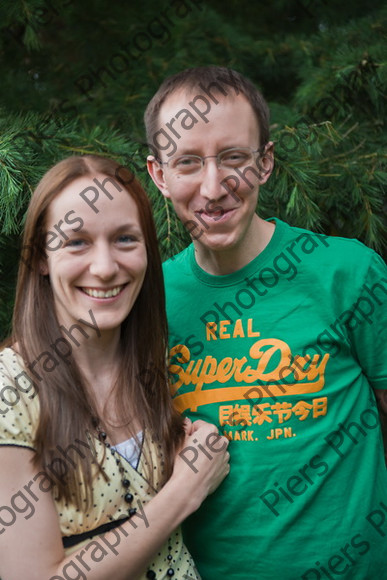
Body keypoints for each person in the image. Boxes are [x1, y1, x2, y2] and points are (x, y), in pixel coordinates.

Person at [145, 66, 387, 579]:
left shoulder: (347, 273)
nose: (214, 188)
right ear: (159, 175)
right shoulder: (148, 303)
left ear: (266, 163)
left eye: (233, 157)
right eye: (188, 162)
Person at [0, 154, 230, 580]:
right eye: (76, 242)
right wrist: (185, 489)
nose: (105, 268)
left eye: (125, 239)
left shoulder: (159, 363)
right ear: (39, 259)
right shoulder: (10, 389)